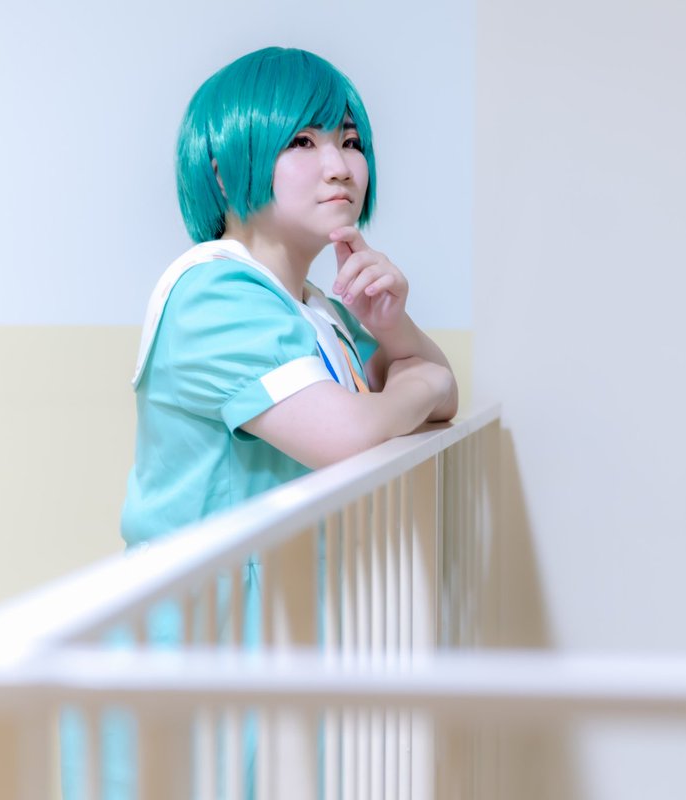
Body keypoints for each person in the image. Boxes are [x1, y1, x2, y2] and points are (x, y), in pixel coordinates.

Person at [63, 45, 457, 799]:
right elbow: (346, 434)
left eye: (349, 140)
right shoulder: (213, 291)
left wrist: (395, 330)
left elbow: (438, 394)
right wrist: (418, 382)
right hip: (191, 644)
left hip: (263, 635)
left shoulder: (315, 307)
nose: (339, 165)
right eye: (302, 142)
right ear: (222, 169)